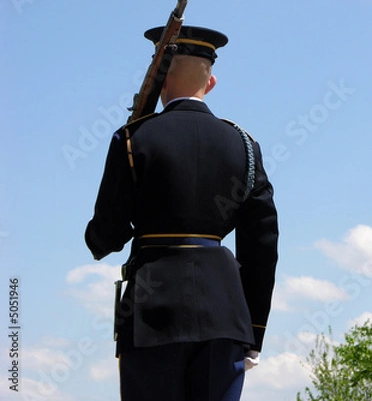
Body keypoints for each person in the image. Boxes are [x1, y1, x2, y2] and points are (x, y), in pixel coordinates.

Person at [85, 25, 279, 401]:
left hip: (151, 312)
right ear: (212, 81)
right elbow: (262, 245)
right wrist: (253, 332)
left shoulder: (132, 138)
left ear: (158, 77)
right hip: (225, 316)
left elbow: (107, 235)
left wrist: (98, 236)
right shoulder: (245, 144)